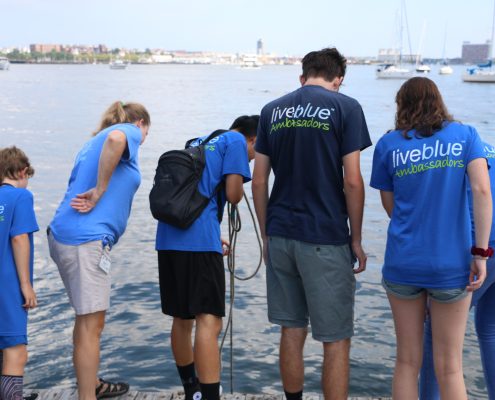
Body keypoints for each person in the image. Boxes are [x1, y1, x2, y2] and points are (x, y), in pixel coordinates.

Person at [252, 47, 371, 400]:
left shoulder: (271, 110)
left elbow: (258, 181)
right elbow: (352, 180)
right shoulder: (345, 107)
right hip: (325, 237)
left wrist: (265, 233)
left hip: (281, 236)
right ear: (339, 79)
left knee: (291, 329)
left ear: (302, 76)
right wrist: (357, 239)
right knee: (335, 340)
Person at [370, 77, 492, 400]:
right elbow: (482, 191)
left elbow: (391, 206)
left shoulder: (388, 145)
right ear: (439, 101)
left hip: (403, 263)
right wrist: (480, 252)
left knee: (407, 361)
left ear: (401, 106)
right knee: (450, 366)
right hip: (451, 265)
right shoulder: (465, 137)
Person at [47, 101, 150, 400]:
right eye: (147, 133)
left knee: (87, 320)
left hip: (68, 235)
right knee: (92, 324)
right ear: (141, 123)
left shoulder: (90, 144)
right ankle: (87, 395)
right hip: (84, 240)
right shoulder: (125, 131)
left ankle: (90, 385)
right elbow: (118, 141)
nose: (143, 139)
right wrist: (101, 190)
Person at [155, 115, 258, 400]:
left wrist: (215, 234)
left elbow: (197, 193)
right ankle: (211, 396)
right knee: (209, 320)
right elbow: (234, 194)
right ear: (253, 139)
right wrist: (238, 182)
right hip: (198, 241)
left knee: (181, 318)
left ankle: (192, 390)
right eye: (256, 152)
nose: (252, 160)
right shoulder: (235, 140)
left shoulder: (198, 142)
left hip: (168, 238)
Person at [419, 141, 495, 400]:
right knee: (490, 329)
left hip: (481, 247)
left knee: (435, 333)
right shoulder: (481, 146)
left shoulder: (441, 152)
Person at [0, 147, 39, 400]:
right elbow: (19, 238)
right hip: (7, 283)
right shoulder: (20, 197)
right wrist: (25, 284)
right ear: (23, 171)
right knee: (16, 351)